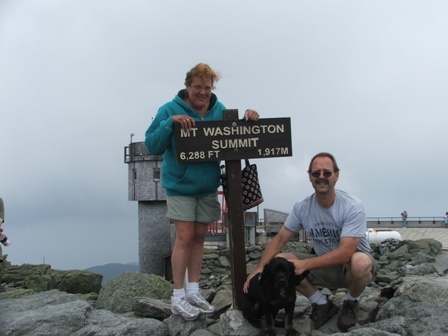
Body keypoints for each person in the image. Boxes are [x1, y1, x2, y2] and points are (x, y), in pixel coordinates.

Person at [145, 63, 260, 321]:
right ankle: (177, 296)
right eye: (198, 87)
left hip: (208, 187)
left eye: (207, 87)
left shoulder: (218, 109)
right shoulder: (169, 109)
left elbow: (233, 134)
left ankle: (194, 290)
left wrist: (249, 118)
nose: (202, 92)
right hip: (180, 185)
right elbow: (152, 144)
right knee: (184, 237)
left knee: (198, 238)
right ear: (188, 86)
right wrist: (169, 123)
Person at [243, 152, 377, 332]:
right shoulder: (302, 207)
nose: (321, 177)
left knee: (360, 262)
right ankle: (321, 303)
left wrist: (305, 264)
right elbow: (280, 239)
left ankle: (351, 302)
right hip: (323, 265)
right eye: (316, 173)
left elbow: (346, 253)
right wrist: (260, 269)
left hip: (350, 268)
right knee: (282, 261)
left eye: (327, 173)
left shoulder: (352, 206)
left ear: (336, 175)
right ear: (310, 177)